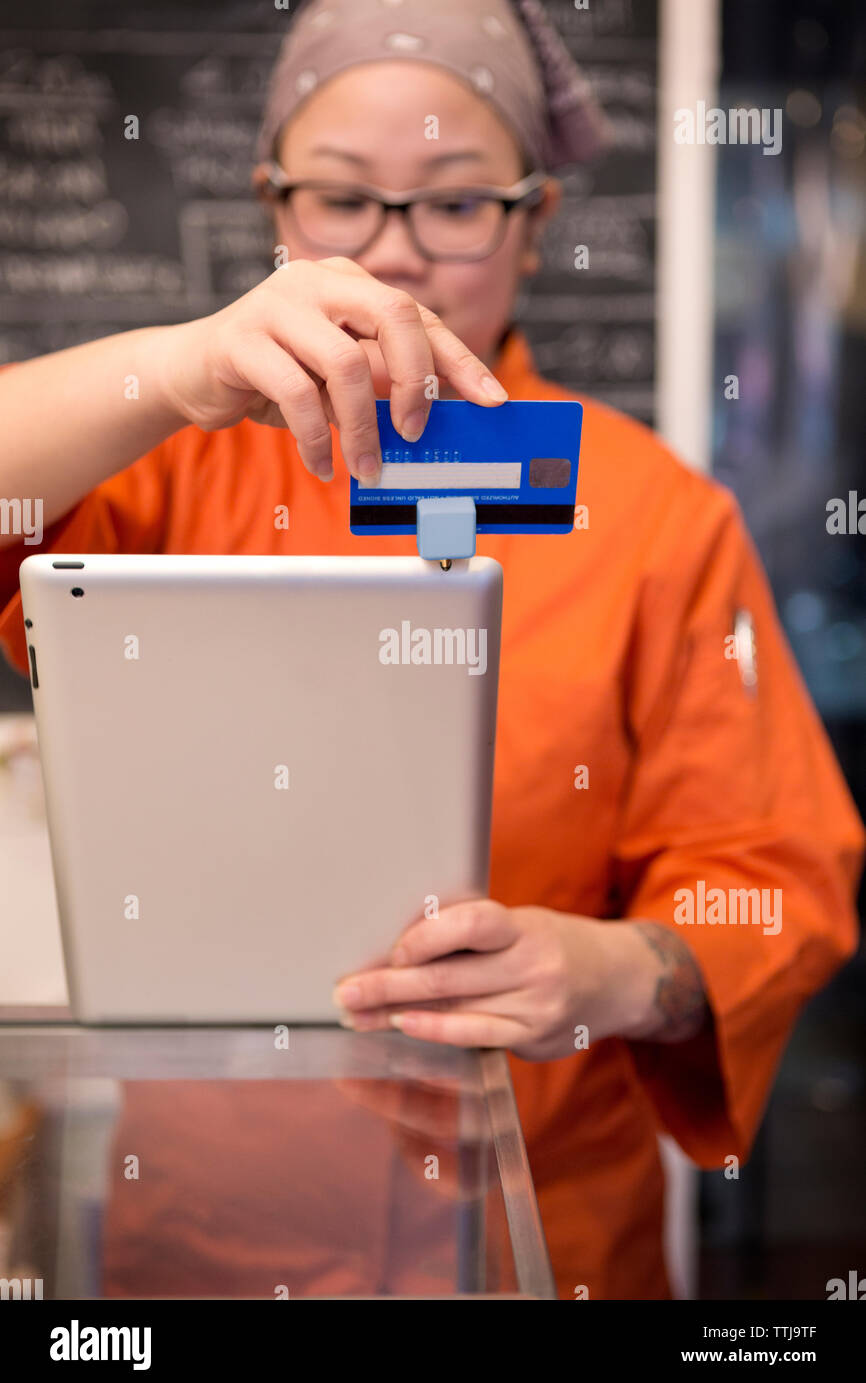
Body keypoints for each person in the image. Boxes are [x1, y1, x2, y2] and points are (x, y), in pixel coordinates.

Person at [0, 0, 862, 1300]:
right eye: (341, 201)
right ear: (272, 210)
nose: (395, 259)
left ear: (536, 222)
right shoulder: (155, 468)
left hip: (542, 1235)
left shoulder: (655, 515)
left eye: (456, 203)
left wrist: (615, 968)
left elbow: (772, 882)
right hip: (198, 1252)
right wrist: (168, 372)